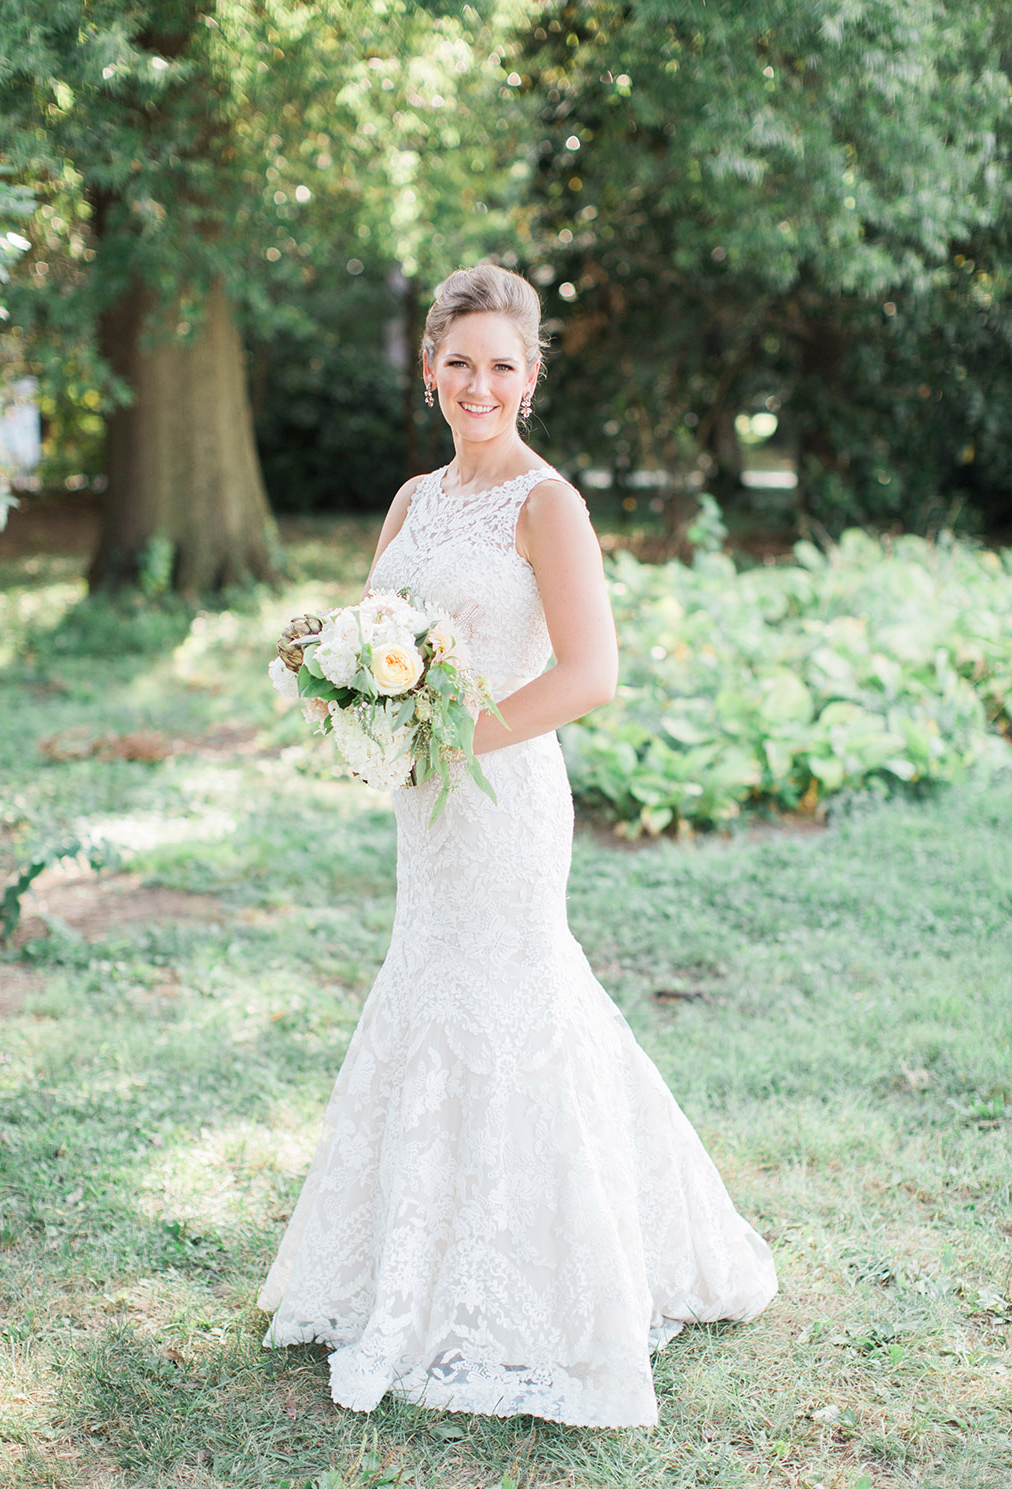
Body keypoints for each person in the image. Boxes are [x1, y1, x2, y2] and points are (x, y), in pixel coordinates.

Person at [257, 263, 777, 1427]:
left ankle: (549, 1281)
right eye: (458, 363)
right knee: (427, 994)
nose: (477, 385)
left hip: (503, 800)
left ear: (531, 378)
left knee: (515, 1005)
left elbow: (590, 674)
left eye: (502, 365)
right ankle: (412, 1270)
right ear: (432, 372)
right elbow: (375, 636)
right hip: (424, 812)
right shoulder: (408, 501)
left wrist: (457, 743)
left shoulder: (548, 506)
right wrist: (359, 708)